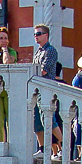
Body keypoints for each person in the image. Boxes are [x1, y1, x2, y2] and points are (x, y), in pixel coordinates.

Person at [31, 23, 59, 156]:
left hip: (47, 88)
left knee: (48, 119)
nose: (36, 36)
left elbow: (44, 71)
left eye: (38, 34)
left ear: (46, 35)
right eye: (35, 34)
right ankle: (42, 149)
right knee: (36, 121)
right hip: (36, 89)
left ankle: (64, 145)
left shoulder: (51, 51)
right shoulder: (38, 52)